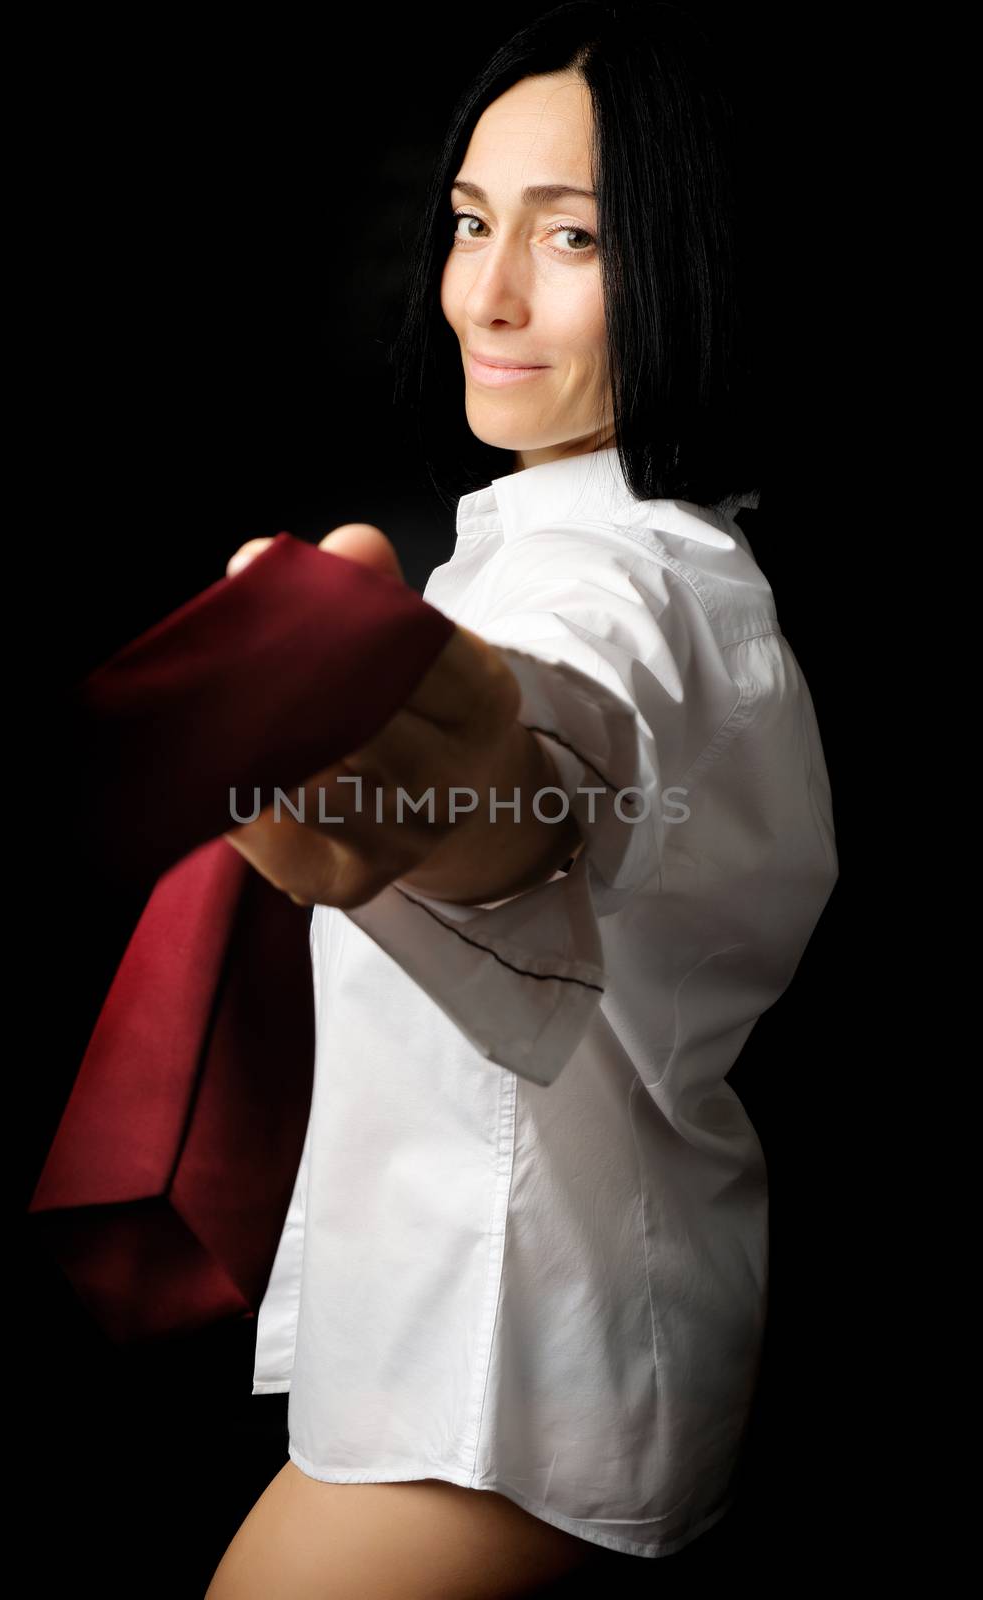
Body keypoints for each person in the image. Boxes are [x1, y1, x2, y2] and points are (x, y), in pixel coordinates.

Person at [206, 3, 839, 1595]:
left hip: (497, 1371)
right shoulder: (615, 544)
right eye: (473, 224)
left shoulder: (612, 577)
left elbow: (551, 753)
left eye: (570, 239)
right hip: (561, 1323)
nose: (486, 292)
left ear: (689, 260)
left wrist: (430, 783)